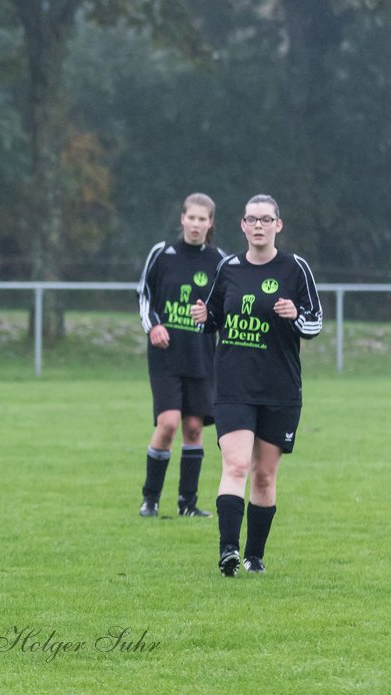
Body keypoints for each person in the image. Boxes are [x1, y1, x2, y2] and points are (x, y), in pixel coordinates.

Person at [190, 194, 323, 576]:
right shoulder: (228, 267)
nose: (259, 226)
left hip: (280, 389)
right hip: (233, 385)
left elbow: (315, 323)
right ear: (242, 226)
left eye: (266, 219)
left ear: (278, 225)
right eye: (252, 219)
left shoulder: (296, 269)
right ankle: (228, 552)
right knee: (235, 464)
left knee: (263, 475)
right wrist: (204, 315)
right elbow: (214, 315)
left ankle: (254, 556)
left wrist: (295, 315)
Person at [135, 193, 225, 518]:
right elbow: (144, 294)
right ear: (182, 218)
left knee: (193, 427)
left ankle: (188, 504)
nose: (197, 224)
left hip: (201, 355)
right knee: (169, 423)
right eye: (192, 217)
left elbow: (225, 306)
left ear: (210, 223)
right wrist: (153, 327)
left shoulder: (219, 261)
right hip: (166, 355)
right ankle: (150, 498)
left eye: (203, 219)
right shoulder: (162, 254)